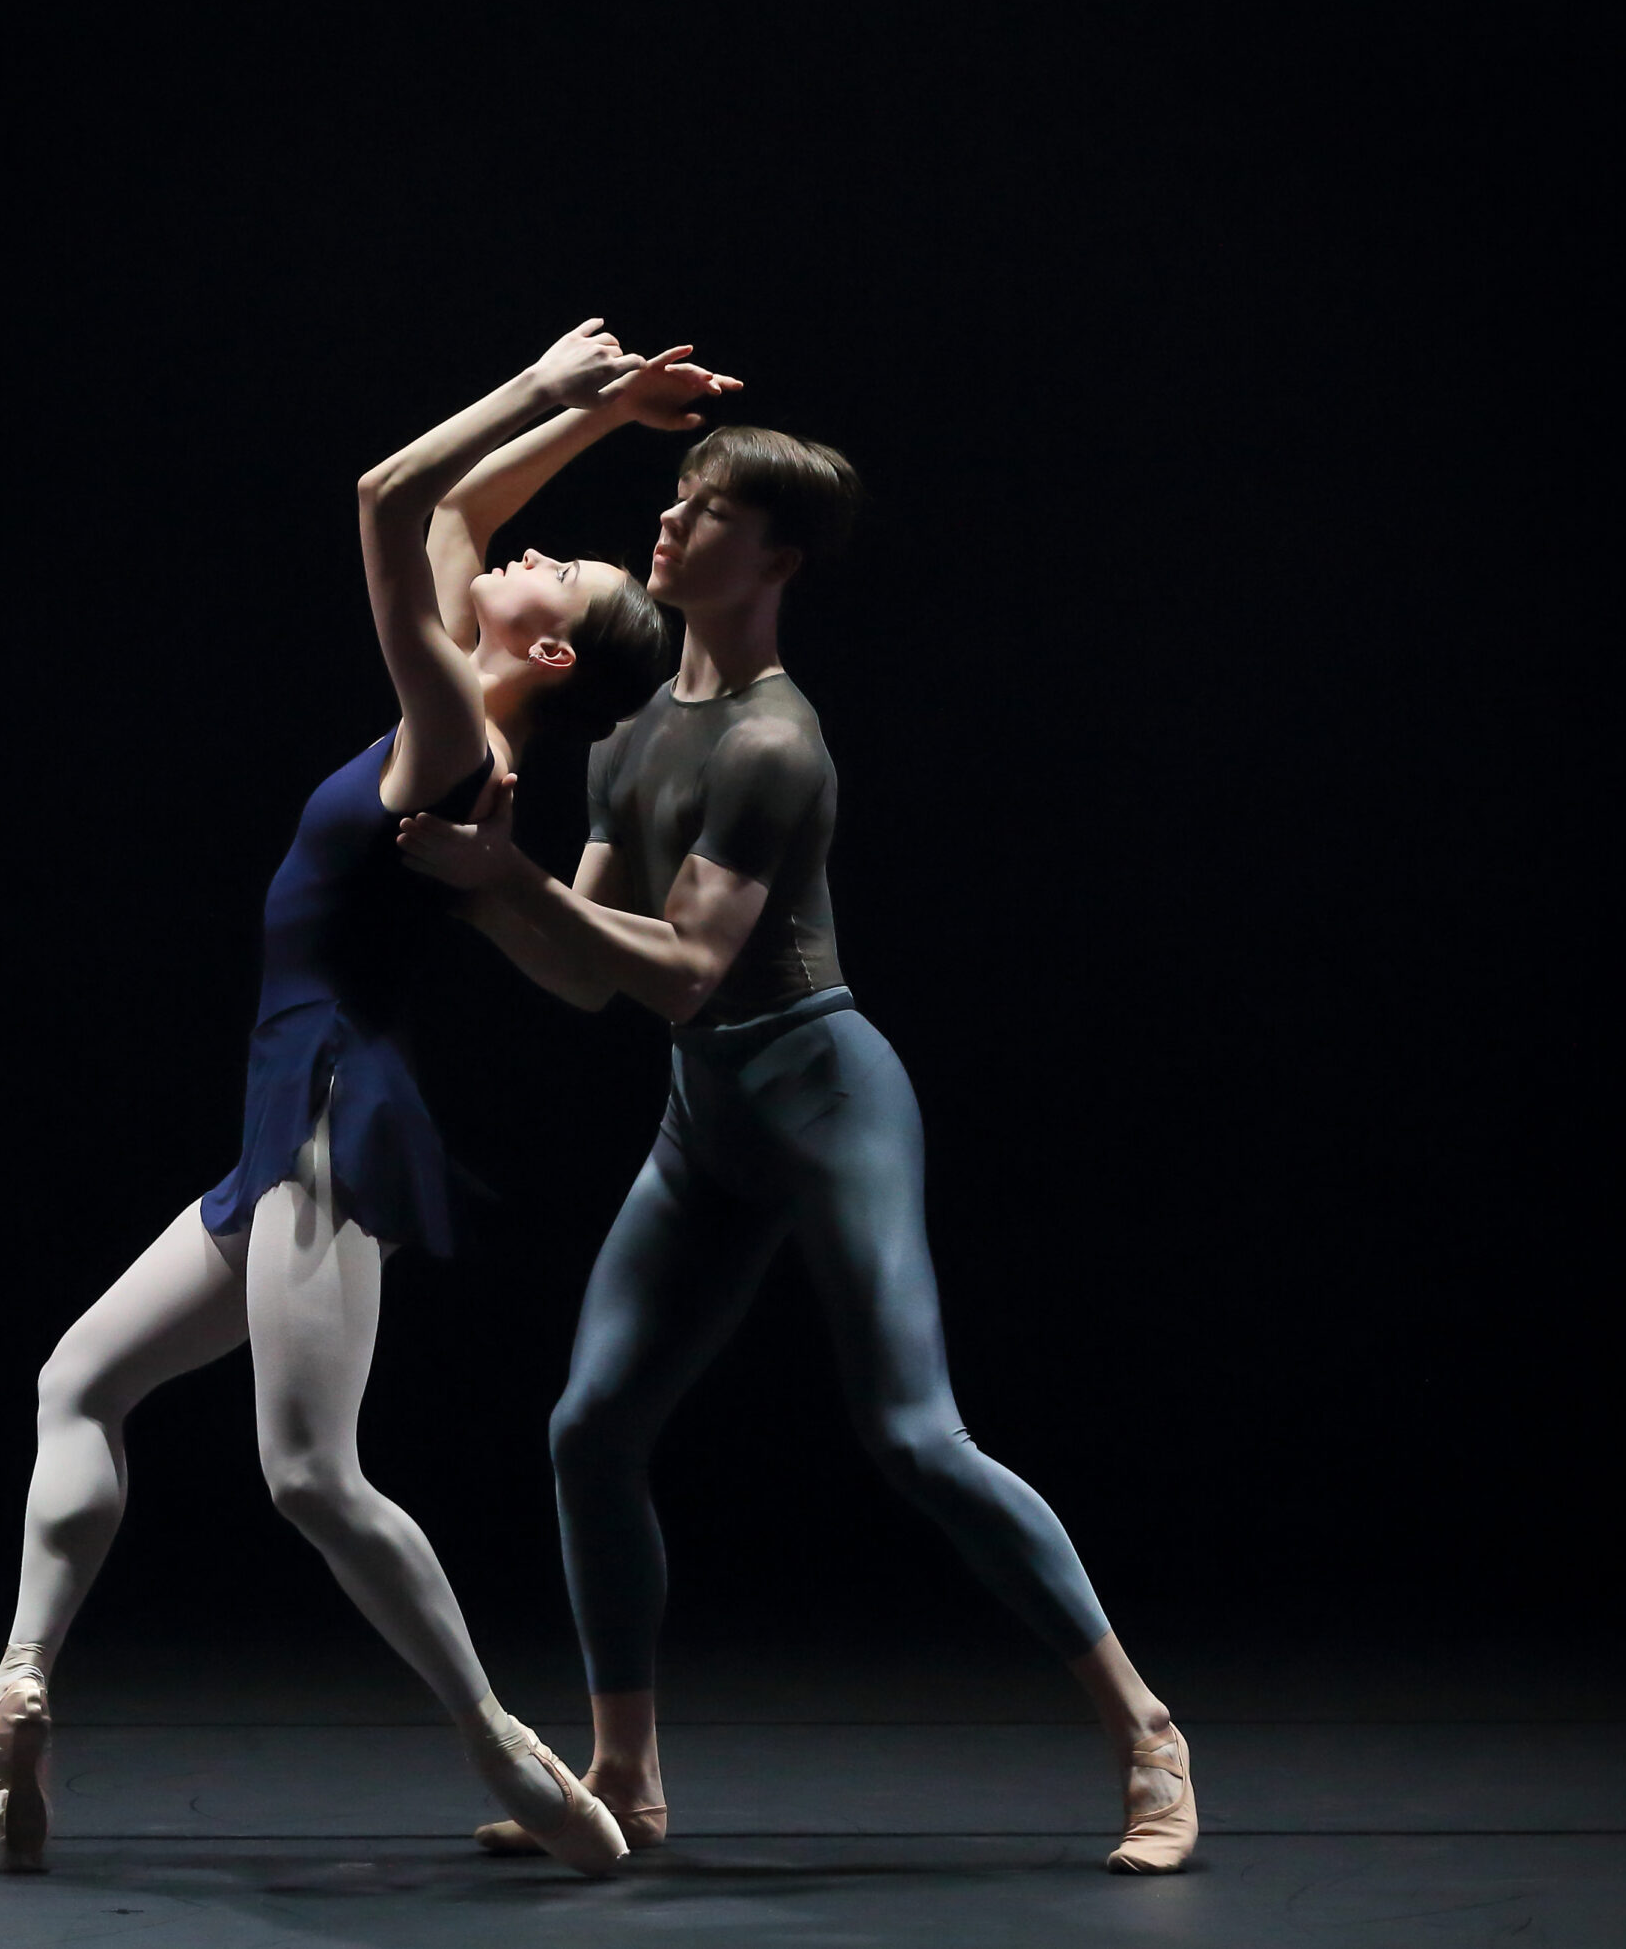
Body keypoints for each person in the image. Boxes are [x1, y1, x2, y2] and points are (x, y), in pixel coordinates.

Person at [397, 421, 1201, 1874]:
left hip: (824, 1093)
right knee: (590, 1429)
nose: (671, 521)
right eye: (679, 495)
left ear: (777, 560)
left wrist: (508, 877)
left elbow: (686, 969)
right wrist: (480, 891)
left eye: (710, 511)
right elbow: (587, 976)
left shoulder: (775, 742)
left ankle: (1147, 1731)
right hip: (708, 1117)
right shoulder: (633, 734)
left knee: (915, 1435)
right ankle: (627, 1775)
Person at [0, 321, 724, 1877]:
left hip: (329, 1111)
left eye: (560, 569)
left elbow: (393, 500)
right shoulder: (456, 712)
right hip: (285, 1120)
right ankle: (22, 1675)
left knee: (311, 1472)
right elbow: (455, 515)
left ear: (550, 655)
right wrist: (601, 418)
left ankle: (500, 1739)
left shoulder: (453, 730)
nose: (528, 551)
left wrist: (549, 386)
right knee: (79, 1378)